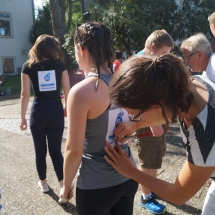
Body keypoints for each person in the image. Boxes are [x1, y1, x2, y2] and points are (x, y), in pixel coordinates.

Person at [104, 53, 215, 215]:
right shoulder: (188, 84)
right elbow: (165, 110)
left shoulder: (205, 137)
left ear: (156, 106)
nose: (132, 120)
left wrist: (130, 171)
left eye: (134, 115)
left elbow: (178, 194)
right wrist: (137, 124)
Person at [61, 22, 138, 215]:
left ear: (81, 48)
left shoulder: (82, 91)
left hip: (97, 185)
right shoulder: (125, 80)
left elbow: (73, 149)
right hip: (128, 176)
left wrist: (66, 183)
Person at [20, 34, 70, 203]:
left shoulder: (28, 66)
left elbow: (25, 94)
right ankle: (63, 186)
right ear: (53, 48)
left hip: (38, 111)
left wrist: (22, 118)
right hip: (56, 111)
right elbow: (68, 91)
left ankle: (43, 184)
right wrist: (66, 108)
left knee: (40, 152)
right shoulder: (60, 66)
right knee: (56, 151)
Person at [134, 29, 174, 214]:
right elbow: (135, 97)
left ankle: (151, 189)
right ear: (152, 47)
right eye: (165, 53)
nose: (167, 58)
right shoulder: (140, 64)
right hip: (147, 123)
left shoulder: (153, 61)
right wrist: (152, 122)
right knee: (147, 160)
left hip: (158, 119)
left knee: (155, 158)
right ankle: (145, 196)